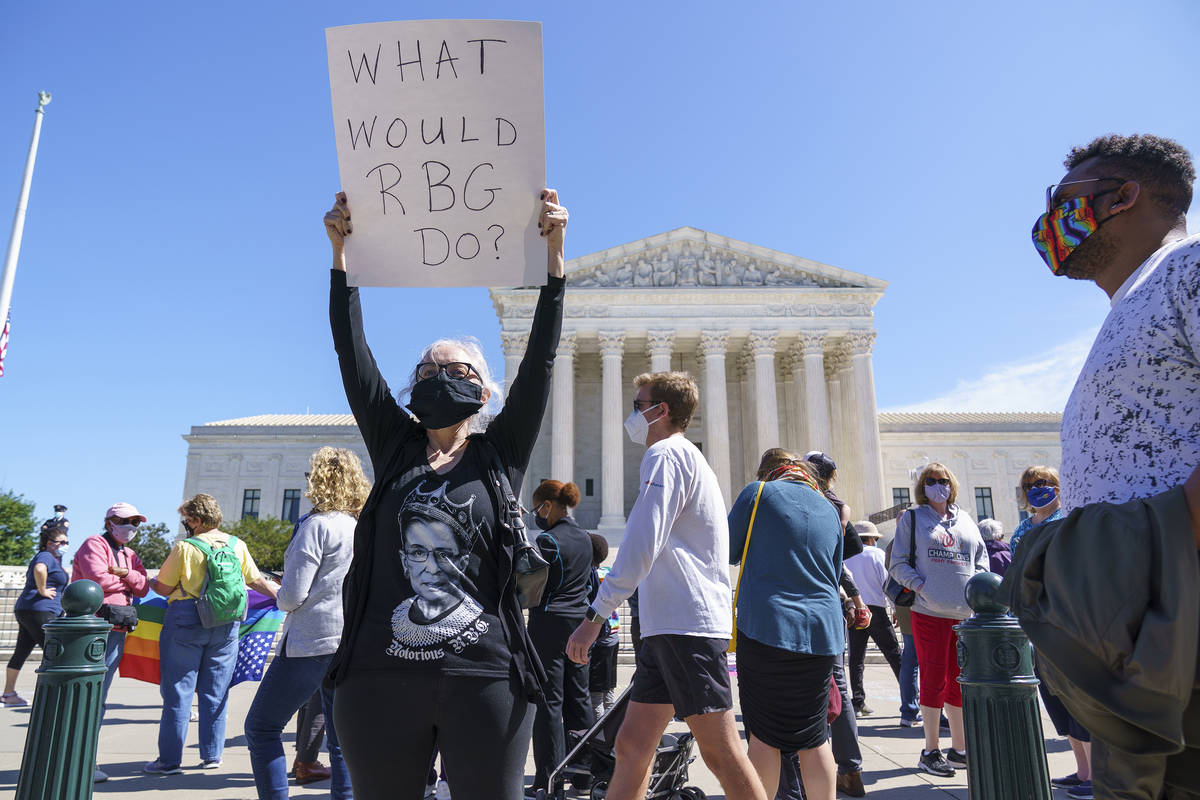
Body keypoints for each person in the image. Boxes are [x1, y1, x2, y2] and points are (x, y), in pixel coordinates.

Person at [321, 188, 568, 800]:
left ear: (485, 395)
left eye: (459, 372)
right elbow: (352, 354)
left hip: (484, 675)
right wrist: (341, 256)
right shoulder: (395, 445)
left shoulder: (498, 454)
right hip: (381, 674)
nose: (442, 377)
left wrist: (554, 259)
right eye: (429, 370)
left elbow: (539, 362)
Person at [1030, 133, 1198, 798]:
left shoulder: (1187, 269)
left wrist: (1162, 549)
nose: (1049, 224)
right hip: (1144, 655)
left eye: (1063, 202)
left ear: (1123, 196)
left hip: (1177, 634)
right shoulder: (1134, 300)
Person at [566, 371, 768, 800]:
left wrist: (596, 614)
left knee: (722, 751)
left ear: (661, 411)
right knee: (633, 745)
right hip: (669, 626)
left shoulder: (666, 456)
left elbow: (642, 541)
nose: (633, 415)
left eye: (639, 405)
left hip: (684, 625)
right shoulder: (683, 458)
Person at [245, 447, 367, 799]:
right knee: (341, 741)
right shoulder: (359, 527)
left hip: (310, 643)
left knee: (261, 727)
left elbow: (292, 597)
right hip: (348, 641)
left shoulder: (316, 526)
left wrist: (271, 587)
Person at [728, 453, 843, 800]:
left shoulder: (759, 493)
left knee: (765, 736)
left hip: (768, 626)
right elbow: (833, 573)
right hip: (822, 633)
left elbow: (729, 550)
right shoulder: (830, 508)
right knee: (814, 736)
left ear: (768, 473)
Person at [144, 493, 277, 775]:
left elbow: (165, 588)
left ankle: (169, 761)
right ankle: (212, 755)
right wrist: (283, 597)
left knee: (178, 692)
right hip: (226, 623)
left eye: (186, 520)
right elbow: (256, 581)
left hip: (186, 621)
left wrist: (150, 581)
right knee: (216, 692)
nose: (185, 525)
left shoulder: (185, 548)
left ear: (197, 520)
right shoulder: (236, 544)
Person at [888, 463, 988, 778]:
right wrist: (921, 588)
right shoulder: (914, 519)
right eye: (930, 481)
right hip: (928, 611)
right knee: (933, 679)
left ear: (952, 484)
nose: (937, 485)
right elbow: (898, 563)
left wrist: (979, 586)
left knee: (958, 681)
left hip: (963, 614)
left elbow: (980, 558)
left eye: (942, 480)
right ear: (922, 487)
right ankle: (930, 750)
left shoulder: (967, 521)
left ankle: (959, 749)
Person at [527, 478, 594, 797]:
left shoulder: (546, 541)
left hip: (549, 622)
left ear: (549, 506)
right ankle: (583, 774)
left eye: (537, 508)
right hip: (579, 623)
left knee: (549, 700)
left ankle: (549, 777)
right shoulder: (585, 538)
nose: (536, 514)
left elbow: (531, 587)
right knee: (579, 698)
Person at [4, 522, 70, 706]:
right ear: (49, 542)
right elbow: (40, 569)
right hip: (41, 611)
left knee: (21, 652)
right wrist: (42, 590)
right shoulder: (46, 556)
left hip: (27, 610)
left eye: (67, 542)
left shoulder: (53, 558)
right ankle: (55, 697)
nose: (66, 545)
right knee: (57, 654)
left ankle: (8, 694)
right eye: (61, 542)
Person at [844, 521, 902, 721]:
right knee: (894, 655)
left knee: (856, 658)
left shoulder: (847, 556)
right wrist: (895, 609)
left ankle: (858, 701)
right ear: (871, 539)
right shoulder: (878, 555)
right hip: (876, 610)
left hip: (854, 609)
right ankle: (910, 697)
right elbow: (888, 584)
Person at [587, 533, 620, 722]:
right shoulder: (609, 573)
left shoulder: (591, 575)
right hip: (613, 636)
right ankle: (612, 728)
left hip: (599, 638)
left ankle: (599, 734)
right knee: (609, 690)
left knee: (595, 697)